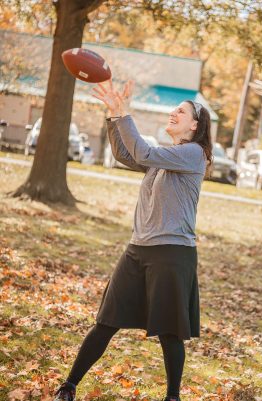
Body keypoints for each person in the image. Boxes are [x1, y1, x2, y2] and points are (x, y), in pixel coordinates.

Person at [53, 79, 212, 401]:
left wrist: (123, 112)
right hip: (138, 249)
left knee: (169, 332)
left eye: (180, 111)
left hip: (172, 252)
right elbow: (127, 155)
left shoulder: (194, 154)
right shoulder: (166, 155)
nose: (173, 113)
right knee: (106, 321)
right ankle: (68, 387)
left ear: (195, 125)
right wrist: (114, 115)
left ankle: (172, 397)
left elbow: (142, 150)